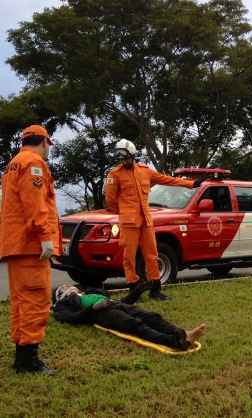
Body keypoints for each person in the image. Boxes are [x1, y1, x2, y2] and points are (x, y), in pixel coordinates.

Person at [104, 139, 203, 303]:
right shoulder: (114, 175)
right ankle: (134, 288)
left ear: (133, 155)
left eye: (127, 158)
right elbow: (110, 201)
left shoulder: (145, 171)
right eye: (122, 159)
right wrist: (125, 213)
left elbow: (167, 180)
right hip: (129, 222)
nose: (124, 161)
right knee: (129, 257)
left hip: (146, 221)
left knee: (152, 255)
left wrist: (191, 184)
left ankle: (155, 289)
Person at [0, 125, 60, 374]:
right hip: (31, 245)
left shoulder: (14, 164)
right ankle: (28, 361)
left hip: (17, 245)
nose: (48, 150)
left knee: (22, 302)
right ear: (44, 141)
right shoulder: (33, 164)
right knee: (36, 300)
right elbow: (35, 204)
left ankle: (22, 357)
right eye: (49, 145)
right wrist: (45, 237)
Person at [52, 284, 207, 350]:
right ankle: (176, 343)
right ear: (60, 294)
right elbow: (71, 318)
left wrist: (136, 292)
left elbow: (120, 300)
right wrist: (92, 308)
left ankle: (182, 333)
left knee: (151, 316)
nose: (69, 286)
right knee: (135, 324)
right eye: (64, 287)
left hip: (114, 304)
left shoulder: (87, 292)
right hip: (100, 314)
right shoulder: (62, 305)